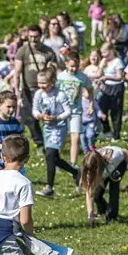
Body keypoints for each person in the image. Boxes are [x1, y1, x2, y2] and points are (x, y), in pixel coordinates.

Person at [33, 67, 78, 198]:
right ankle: (75, 172)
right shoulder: (38, 94)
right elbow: (34, 110)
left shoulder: (60, 94)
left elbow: (68, 111)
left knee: (50, 154)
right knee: (53, 158)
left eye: (44, 83)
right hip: (47, 127)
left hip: (59, 127)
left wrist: (57, 118)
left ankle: (49, 187)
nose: (41, 86)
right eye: (39, 83)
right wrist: (40, 116)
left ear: (52, 81)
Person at [12, 26, 58, 148]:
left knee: (48, 117)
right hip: (28, 90)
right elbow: (17, 72)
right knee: (30, 119)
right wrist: (17, 91)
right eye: (31, 37)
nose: (33, 39)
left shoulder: (48, 51)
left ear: (40, 36)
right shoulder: (23, 50)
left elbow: (53, 69)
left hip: (45, 90)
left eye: (36, 37)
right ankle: (40, 144)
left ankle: (52, 142)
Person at [80, 145, 128, 225]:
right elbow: (89, 193)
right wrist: (90, 215)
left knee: (113, 189)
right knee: (97, 195)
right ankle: (103, 210)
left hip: (118, 165)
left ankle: (111, 217)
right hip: (104, 168)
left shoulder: (115, 157)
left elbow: (125, 151)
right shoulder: (89, 168)